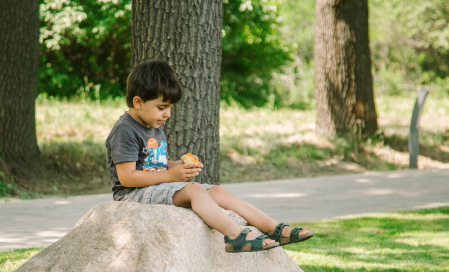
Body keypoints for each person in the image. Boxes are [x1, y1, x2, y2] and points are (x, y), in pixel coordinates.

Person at [105, 60, 312, 253]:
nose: (167, 114)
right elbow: (128, 177)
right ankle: (235, 235)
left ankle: (273, 228)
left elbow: (152, 164)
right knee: (194, 190)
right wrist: (171, 175)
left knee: (218, 191)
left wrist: (177, 166)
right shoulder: (125, 130)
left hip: (155, 187)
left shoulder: (152, 123)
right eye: (162, 108)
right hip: (132, 195)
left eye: (170, 108)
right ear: (138, 102)